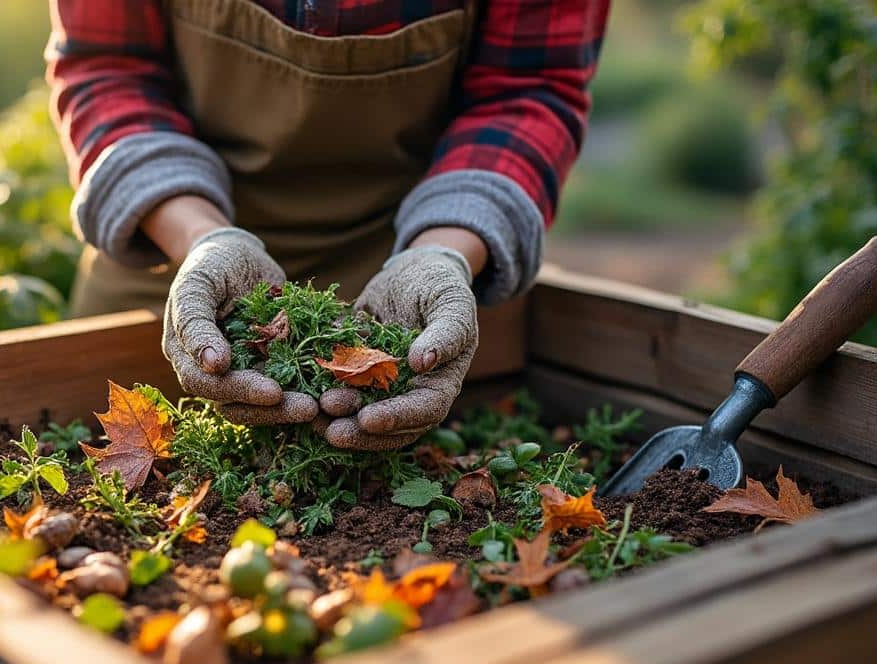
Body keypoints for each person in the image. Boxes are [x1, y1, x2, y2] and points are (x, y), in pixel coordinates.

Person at [47, 0, 609, 450]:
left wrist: (443, 254)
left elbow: (528, 90)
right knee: (90, 440)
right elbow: (107, 65)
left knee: (444, 450)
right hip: (177, 252)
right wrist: (203, 238)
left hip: (417, 278)